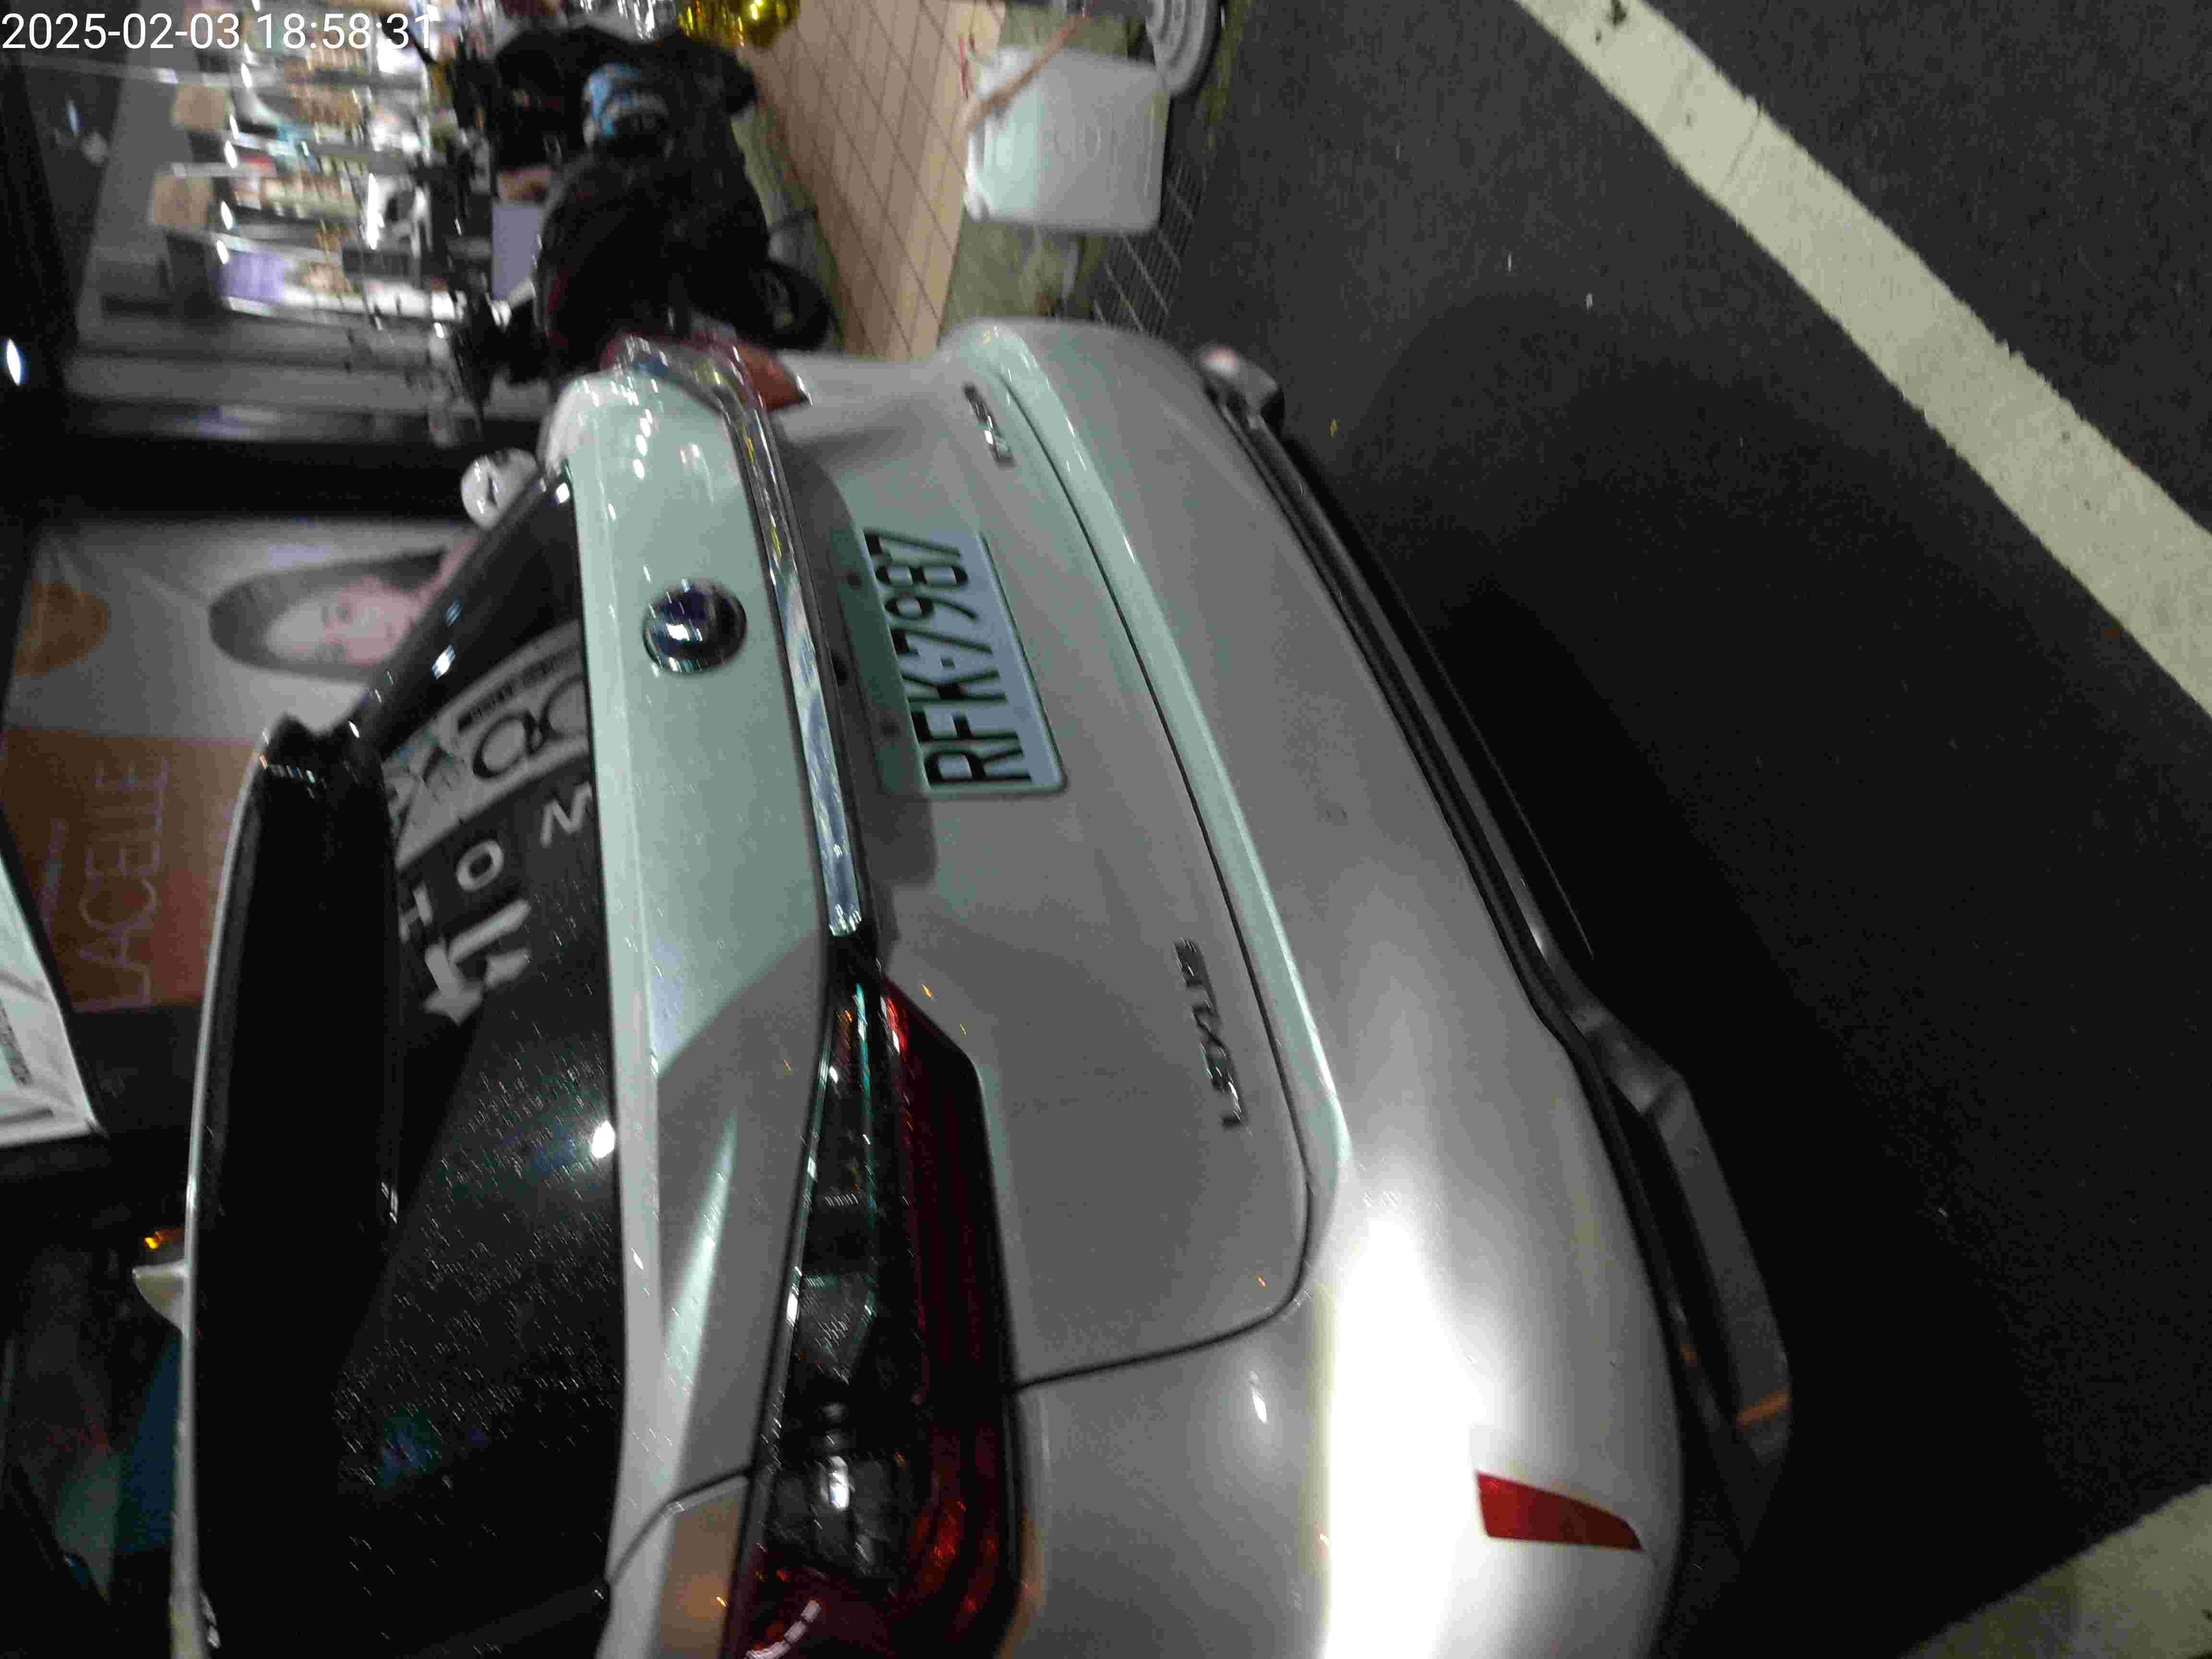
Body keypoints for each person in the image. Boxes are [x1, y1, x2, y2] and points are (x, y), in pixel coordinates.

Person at [206, 540, 473, 681]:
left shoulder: (477, 558)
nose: (375, 636)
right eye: (337, 653)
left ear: (367, 583)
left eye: (344, 614)